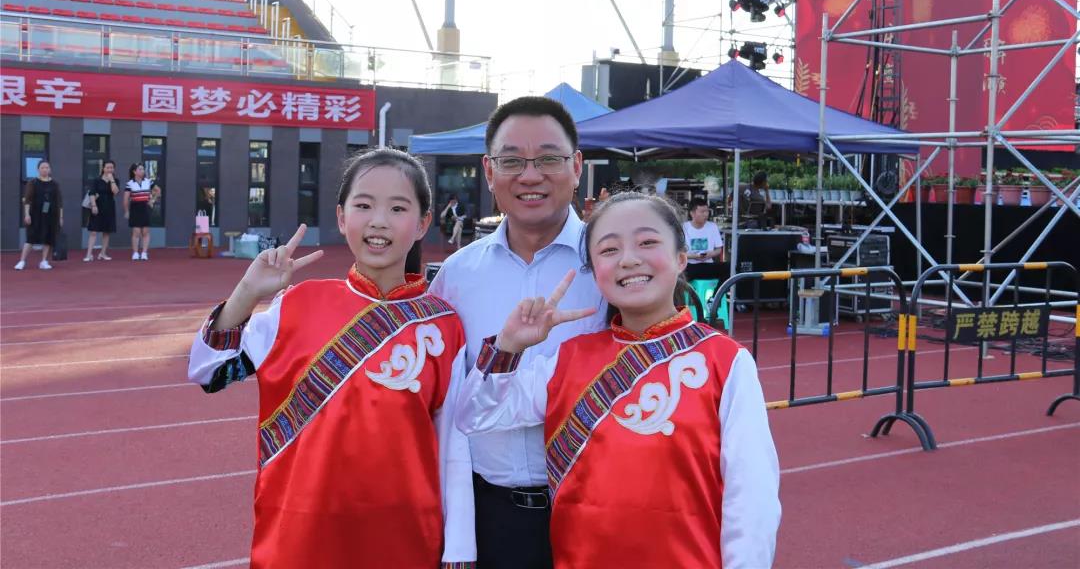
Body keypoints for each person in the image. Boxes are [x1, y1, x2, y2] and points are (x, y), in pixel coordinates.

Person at [456, 192, 781, 568]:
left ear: (681, 257)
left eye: (647, 242)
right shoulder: (568, 360)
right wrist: (509, 346)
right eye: (609, 250)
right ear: (595, 272)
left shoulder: (726, 363)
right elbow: (475, 416)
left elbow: (751, 502)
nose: (628, 259)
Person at [187, 148, 475, 568]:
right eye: (364, 205)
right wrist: (247, 293)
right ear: (342, 218)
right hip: (298, 536)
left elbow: (454, 451)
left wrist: (459, 553)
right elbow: (208, 372)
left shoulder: (443, 325)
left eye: (398, 208)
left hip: (402, 538)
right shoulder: (296, 305)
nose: (379, 221)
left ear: (422, 223)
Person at [430, 96, 606, 569]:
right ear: (489, 172)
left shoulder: (610, 265)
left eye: (548, 159)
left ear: (577, 167)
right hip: (491, 518)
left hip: (597, 510)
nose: (530, 176)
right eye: (512, 161)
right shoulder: (456, 276)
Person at [15, 160, 63, 271]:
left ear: (50, 169)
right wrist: (27, 214)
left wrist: (60, 217)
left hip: (51, 215)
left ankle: (44, 261)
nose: (45, 169)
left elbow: (59, 202)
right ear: (38, 169)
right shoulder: (33, 182)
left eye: (47, 167)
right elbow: (27, 200)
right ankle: (22, 261)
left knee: (48, 238)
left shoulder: (55, 184)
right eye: (42, 168)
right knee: (30, 238)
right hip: (35, 214)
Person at [84, 160, 119, 262]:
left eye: (111, 167)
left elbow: (115, 192)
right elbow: (92, 193)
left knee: (106, 232)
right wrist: (94, 205)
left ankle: (103, 253)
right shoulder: (97, 180)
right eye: (108, 167)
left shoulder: (115, 180)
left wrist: (112, 180)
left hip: (109, 208)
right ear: (103, 168)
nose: (110, 169)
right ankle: (89, 254)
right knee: (93, 231)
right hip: (97, 207)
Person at [124, 163, 158, 261]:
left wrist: (152, 200)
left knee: (145, 231)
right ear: (134, 171)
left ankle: (144, 253)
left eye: (143, 169)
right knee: (136, 232)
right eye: (140, 169)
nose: (142, 171)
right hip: (135, 208)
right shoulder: (129, 183)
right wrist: (126, 211)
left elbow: (158, 190)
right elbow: (126, 199)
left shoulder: (148, 181)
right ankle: (135, 253)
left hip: (145, 208)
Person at [683, 197, 725, 266]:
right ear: (692, 213)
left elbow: (718, 249)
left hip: (708, 265)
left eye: (707, 211)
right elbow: (677, 253)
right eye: (702, 212)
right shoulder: (683, 228)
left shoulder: (712, 227)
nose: (706, 214)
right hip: (688, 265)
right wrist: (694, 256)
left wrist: (710, 254)